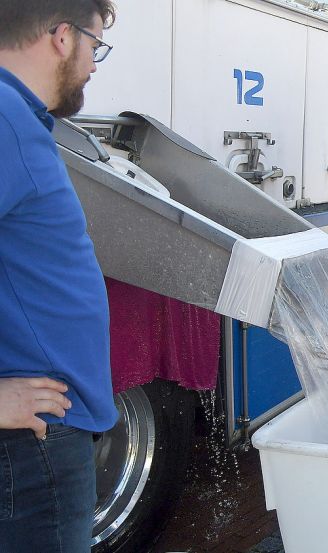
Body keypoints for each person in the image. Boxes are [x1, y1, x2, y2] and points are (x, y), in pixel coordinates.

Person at [0, 1, 118, 551]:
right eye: (96, 45)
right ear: (62, 36)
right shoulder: (3, 115)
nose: (95, 63)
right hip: (31, 443)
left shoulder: (16, 115)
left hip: (41, 433)